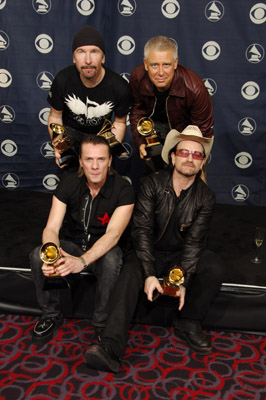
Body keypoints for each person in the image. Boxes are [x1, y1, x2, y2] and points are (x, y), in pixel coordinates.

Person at [84, 125, 225, 373]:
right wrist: (149, 273)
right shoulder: (152, 183)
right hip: (147, 252)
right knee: (129, 272)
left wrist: (182, 278)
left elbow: (194, 243)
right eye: (184, 153)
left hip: (179, 257)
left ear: (202, 163)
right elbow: (142, 232)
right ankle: (110, 346)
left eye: (197, 154)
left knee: (214, 265)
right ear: (172, 156)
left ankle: (189, 323)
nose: (189, 158)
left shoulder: (206, 197)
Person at [30, 135, 135, 345]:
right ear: (80, 161)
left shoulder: (124, 190)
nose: (95, 166)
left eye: (101, 159)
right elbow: (51, 227)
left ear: (110, 161)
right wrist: (53, 252)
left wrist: (82, 262)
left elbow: (113, 235)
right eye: (88, 159)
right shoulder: (69, 182)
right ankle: (51, 314)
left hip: (102, 249)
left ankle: (101, 324)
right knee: (37, 255)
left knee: (112, 260)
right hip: (72, 244)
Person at [47, 25, 132, 168]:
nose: (88, 60)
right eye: (81, 52)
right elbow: (55, 117)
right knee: (70, 185)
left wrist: (108, 151)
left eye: (94, 52)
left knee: (101, 180)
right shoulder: (62, 80)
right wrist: (58, 145)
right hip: (71, 134)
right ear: (74, 58)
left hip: (101, 136)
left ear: (103, 57)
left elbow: (119, 123)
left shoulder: (119, 86)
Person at [129, 35, 214, 173]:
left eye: (166, 65)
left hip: (184, 132)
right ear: (145, 64)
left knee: (186, 177)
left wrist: (199, 167)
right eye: (154, 65)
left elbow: (202, 132)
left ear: (175, 63)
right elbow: (137, 111)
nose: (161, 72)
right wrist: (140, 142)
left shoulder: (194, 88)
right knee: (152, 176)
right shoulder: (137, 77)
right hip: (153, 129)